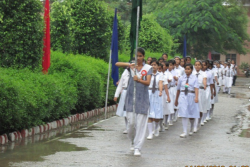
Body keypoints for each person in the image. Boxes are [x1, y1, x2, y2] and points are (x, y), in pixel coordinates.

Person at [115, 48, 152, 156]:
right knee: (131, 124)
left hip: (142, 100)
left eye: (140, 56)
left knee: (140, 125)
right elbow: (117, 63)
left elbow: (148, 82)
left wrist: (139, 79)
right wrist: (130, 64)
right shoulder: (131, 67)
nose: (139, 58)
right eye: (137, 56)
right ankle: (132, 140)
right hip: (131, 99)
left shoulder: (148, 68)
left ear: (143, 57)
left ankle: (137, 147)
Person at [175, 64, 199, 138]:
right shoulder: (181, 78)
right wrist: (176, 99)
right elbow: (178, 89)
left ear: (191, 70)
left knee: (191, 113)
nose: (187, 70)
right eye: (186, 69)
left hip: (191, 96)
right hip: (183, 96)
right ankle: (184, 131)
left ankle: (191, 127)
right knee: (184, 113)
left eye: (188, 69)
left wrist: (196, 97)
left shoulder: (194, 78)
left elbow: (196, 88)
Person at [147, 60, 164, 140]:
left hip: (157, 93)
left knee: (157, 113)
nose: (153, 66)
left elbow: (160, 83)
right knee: (149, 113)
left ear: (158, 66)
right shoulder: (148, 74)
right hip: (149, 92)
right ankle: (150, 133)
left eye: (155, 65)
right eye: (152, 65)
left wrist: (160, 91)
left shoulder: (160, 75)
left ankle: (156, 128)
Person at [114, 69, 130, 134]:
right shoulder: (125, 72)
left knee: (133, 111)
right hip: (125, 91)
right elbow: (120, 85)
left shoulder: (138, 71)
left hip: (134, 93)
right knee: (125, 111)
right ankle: (127, 127)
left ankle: (133, 126)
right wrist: (116, 95)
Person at [193, 61, 207, 133]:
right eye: (196, 65)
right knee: (193, 109)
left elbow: (204, 80)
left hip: (200, 91)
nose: (197, 66)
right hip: (193, 92)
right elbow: (187, 82)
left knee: (200, 109)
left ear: (201, 66)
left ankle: (198, 123)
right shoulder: (192, 73)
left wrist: (204, 85)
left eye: (199, 65)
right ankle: (193, 124)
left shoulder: (203, 74)